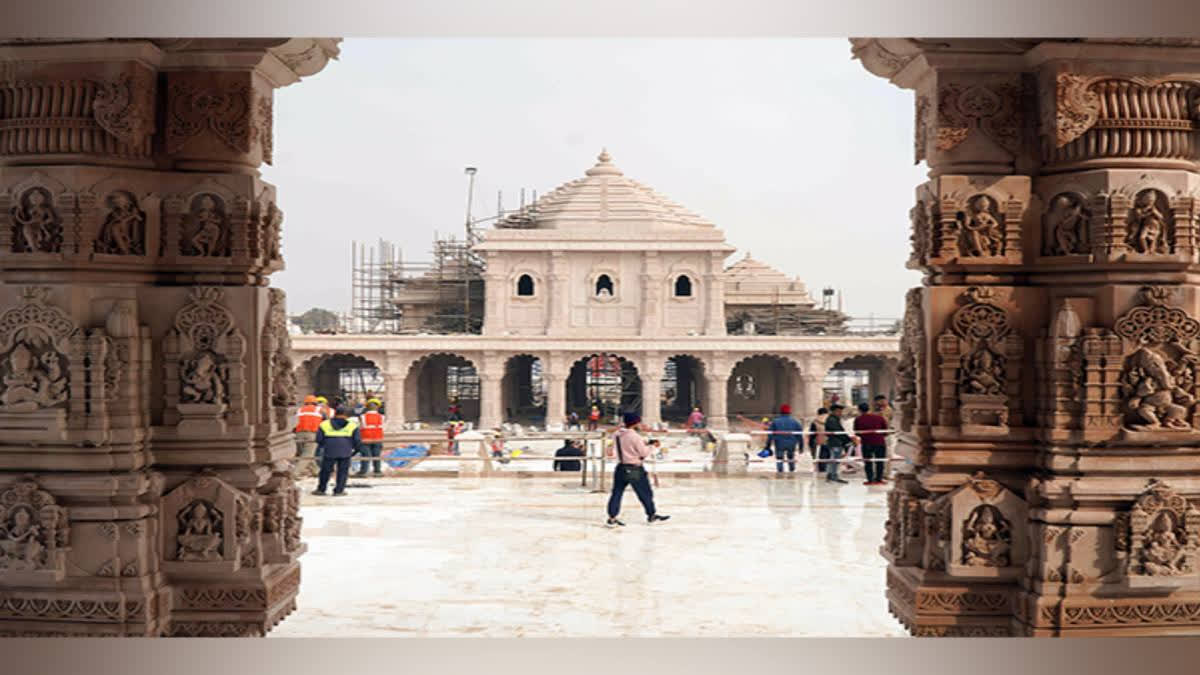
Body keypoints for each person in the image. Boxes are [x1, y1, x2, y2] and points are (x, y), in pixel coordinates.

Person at [606, 413, 670, 527]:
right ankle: (651, 515)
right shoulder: (635, 436)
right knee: (645, 492)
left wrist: (644, 443)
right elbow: (643, 453)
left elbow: (627, 445)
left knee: (616, 493)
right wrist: (652, 446)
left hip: (621, 467)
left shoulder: (616, 434)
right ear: (636, 422)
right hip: (634, 468)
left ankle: (612, 518)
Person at [313, 405, 362, 496]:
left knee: (325, 471)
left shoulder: (325, 424)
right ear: (346, 415)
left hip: (329, 450)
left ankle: (321, 489)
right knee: (343, 471)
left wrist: (325, 445)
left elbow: (319, 439)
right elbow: (357, 440)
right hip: (345, 450)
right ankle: (339, 490)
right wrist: (355, 450)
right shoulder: (353, 425)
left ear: (335, 413)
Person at [853, 402, 889, 485]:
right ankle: (879, 479)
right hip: (880, 442)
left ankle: (870, 479)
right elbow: (885, 430)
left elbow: (857, 432)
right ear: (869, 408)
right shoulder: (879, 418)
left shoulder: (858, 419)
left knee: (868, 462)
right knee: (879, 461)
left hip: (866, 443)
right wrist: (880, 436)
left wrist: (864, 436)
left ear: (859, 410)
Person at [765, 404, 804, 475]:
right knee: (791, 458)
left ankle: (780, 474)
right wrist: (801, 447)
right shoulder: (795, 422)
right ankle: (792, 472)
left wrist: (768, 446)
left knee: (779, 459)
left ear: (781, 412)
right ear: (789, 412)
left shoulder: (775, 422)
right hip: (792, 443)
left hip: (779, 443)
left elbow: (770, 435)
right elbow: (799, 435)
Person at [293, 395, 323, 477]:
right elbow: (325, 422)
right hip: (312, 434)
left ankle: (317, 471)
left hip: (298, 434)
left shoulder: (299, 410)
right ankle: (294, 473)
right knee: (307, 455)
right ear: (315, 403)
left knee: (306, 454)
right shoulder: (319, 410)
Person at [355, 398, 386, 477]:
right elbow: (383, 428)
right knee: (376, 456)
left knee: (365, 456)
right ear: (377, 407)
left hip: (365, 440)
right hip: (377, 439)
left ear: (367, 407)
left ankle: (363, 472)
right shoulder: (382, 417)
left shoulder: (362, 417)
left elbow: (359, 427)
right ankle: (377, 472)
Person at [823, 404, 852, 484]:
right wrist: (847, 440)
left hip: (837, 442)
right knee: (834, 459)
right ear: (834, 411)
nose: (840, 413)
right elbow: (838, 432)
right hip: (834, 442)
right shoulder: (832, 420)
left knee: (835, 459)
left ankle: (831, 475)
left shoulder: (834, 419)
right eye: (838, 411)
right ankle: (832, 476)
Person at [808, 407, 829, 474]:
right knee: (831, 460)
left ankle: (822, 474)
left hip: (819, 443)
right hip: (831, 442)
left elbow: (812, 434)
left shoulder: (815, 421)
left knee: (821, 460)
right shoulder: (832, 420)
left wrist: (810, 444)